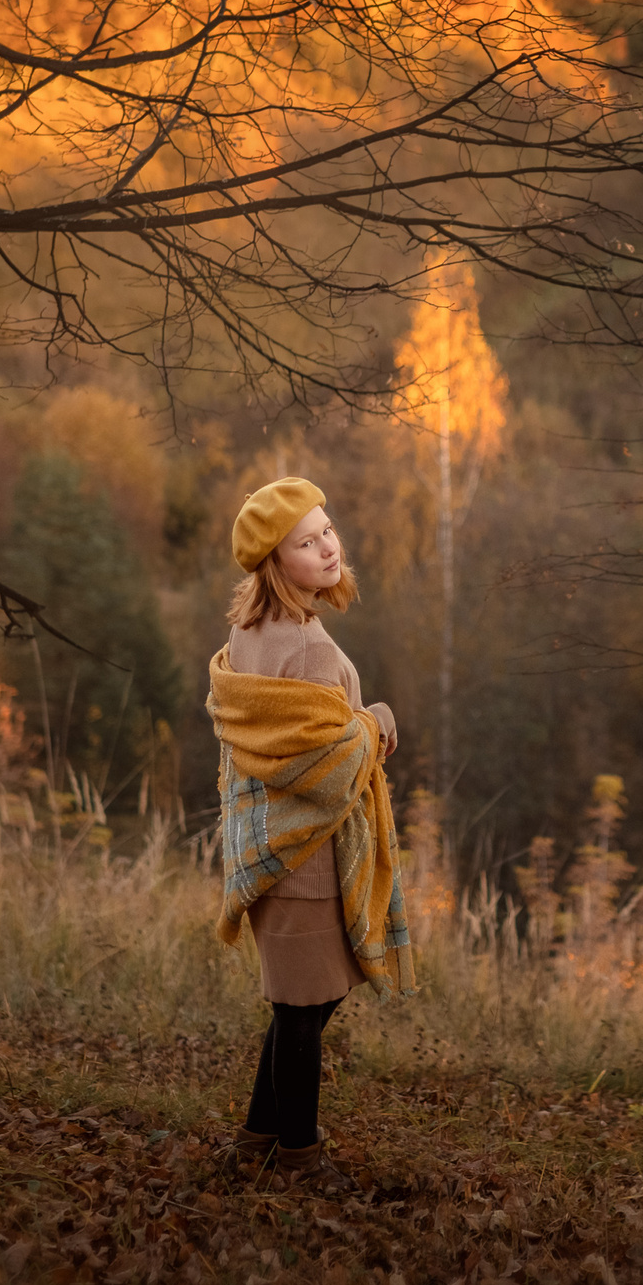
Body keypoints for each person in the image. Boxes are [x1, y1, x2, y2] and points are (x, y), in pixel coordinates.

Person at [207, 476, 416, 1192]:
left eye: (326, 529)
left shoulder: (245, 632)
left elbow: (272, 741)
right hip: (307, 857)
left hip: (268, 846)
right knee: (304, 1010)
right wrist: (376, 721)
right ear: (275, 559)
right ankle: (300, 1157)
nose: (328, 547)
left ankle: (256, 1139)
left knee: (301, 1003)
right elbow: (326, 773)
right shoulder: (306, 648)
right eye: (306, 541)